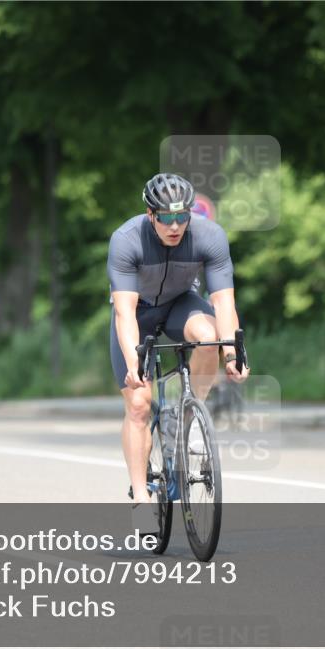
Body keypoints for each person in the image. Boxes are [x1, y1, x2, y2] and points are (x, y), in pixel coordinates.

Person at [108, 173, 250, 505]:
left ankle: (189, 413)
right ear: (150, 214)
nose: (175, 226)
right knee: (139, 405)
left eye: (182, 216)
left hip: (179, 304)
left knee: (209, 337)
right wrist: (133, 363)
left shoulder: (209, 236)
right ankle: (141, 495)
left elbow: (223, 302)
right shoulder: (126, 240)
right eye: (167, 218)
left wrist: (231, 354)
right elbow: (124, 314)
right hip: (138, 313)